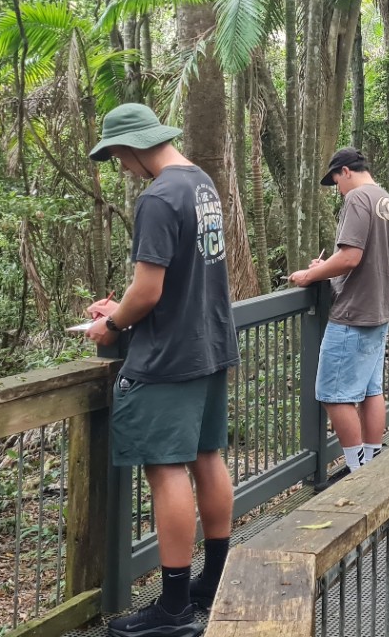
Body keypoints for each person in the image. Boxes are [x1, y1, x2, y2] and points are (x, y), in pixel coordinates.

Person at [83, 103, 239, 637]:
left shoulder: (158, 197)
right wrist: (121, 307)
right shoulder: (201, 183)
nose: (121, 167)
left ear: (131, 147)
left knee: (165, 468)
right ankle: (214, 579)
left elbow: (148, 290)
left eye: (118, 157)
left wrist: (111, 324)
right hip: (209, 340)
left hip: (168, 355)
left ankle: (173, 609)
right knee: (206, 456)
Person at [289, 148, 389, 476]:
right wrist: (328, 267)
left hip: (353, 311)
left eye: (335, 180)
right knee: (370, 389)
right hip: (379, 306)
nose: (337, 189)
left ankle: (357, 470)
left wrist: (310, 275)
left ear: (346, 171)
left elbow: (352, 257)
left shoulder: (357, 199)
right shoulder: (387, 201)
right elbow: (367, 259)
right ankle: (372, 458)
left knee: (332, 393)